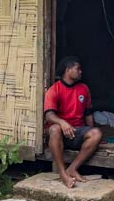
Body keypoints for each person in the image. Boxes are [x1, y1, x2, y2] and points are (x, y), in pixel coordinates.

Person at [44, 57, 103, 188]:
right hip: (58, 134)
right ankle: (63, 173)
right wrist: (62, 123)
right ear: (67, 70)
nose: (81, 71)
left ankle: (72, 168)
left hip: (77, 131)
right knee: (54, 129)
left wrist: (91, 133)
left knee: (96, 133)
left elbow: (88, 113)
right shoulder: (54, 90)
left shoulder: (83, 89)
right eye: (78, 69)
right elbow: (49, 115)